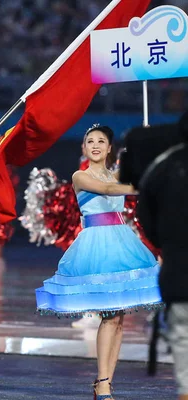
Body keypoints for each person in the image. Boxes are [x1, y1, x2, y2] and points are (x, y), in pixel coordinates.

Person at [35, 125, 162, 399]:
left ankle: (105, 382)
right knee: (109, 314)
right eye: (90, 141)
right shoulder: (80, 176)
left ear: (108, 148)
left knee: (118, 319)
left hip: (121, 242)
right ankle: (102, 383)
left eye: (100, 141)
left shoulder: (114, 172)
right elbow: (107, 188)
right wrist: (141, 186)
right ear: (84, 148)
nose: (95, 145)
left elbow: (134, 170)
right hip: (96, 246)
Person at [132, 112, 188, 400]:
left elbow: (147, 219)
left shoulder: (161, 167)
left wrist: (170, 246)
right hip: (178, 271)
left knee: (183, 338)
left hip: (178, 273)